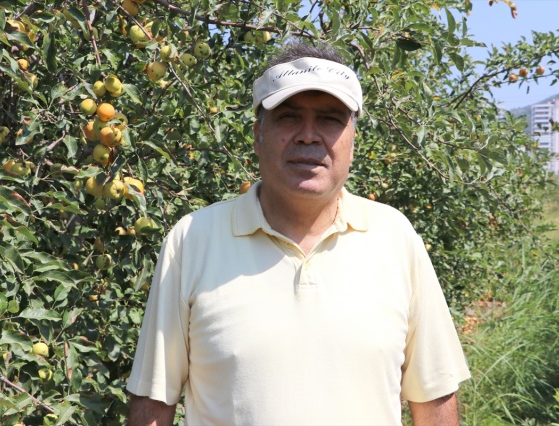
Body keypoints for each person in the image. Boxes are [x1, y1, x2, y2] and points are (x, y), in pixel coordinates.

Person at [126, 42, 471, 425]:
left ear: (352, 141)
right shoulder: (192, 240)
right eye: (288, 117)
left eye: (329, 119)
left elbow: (433, 396)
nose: (308, 136)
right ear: (258, 134)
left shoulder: (395, 237)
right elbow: (154, 399)